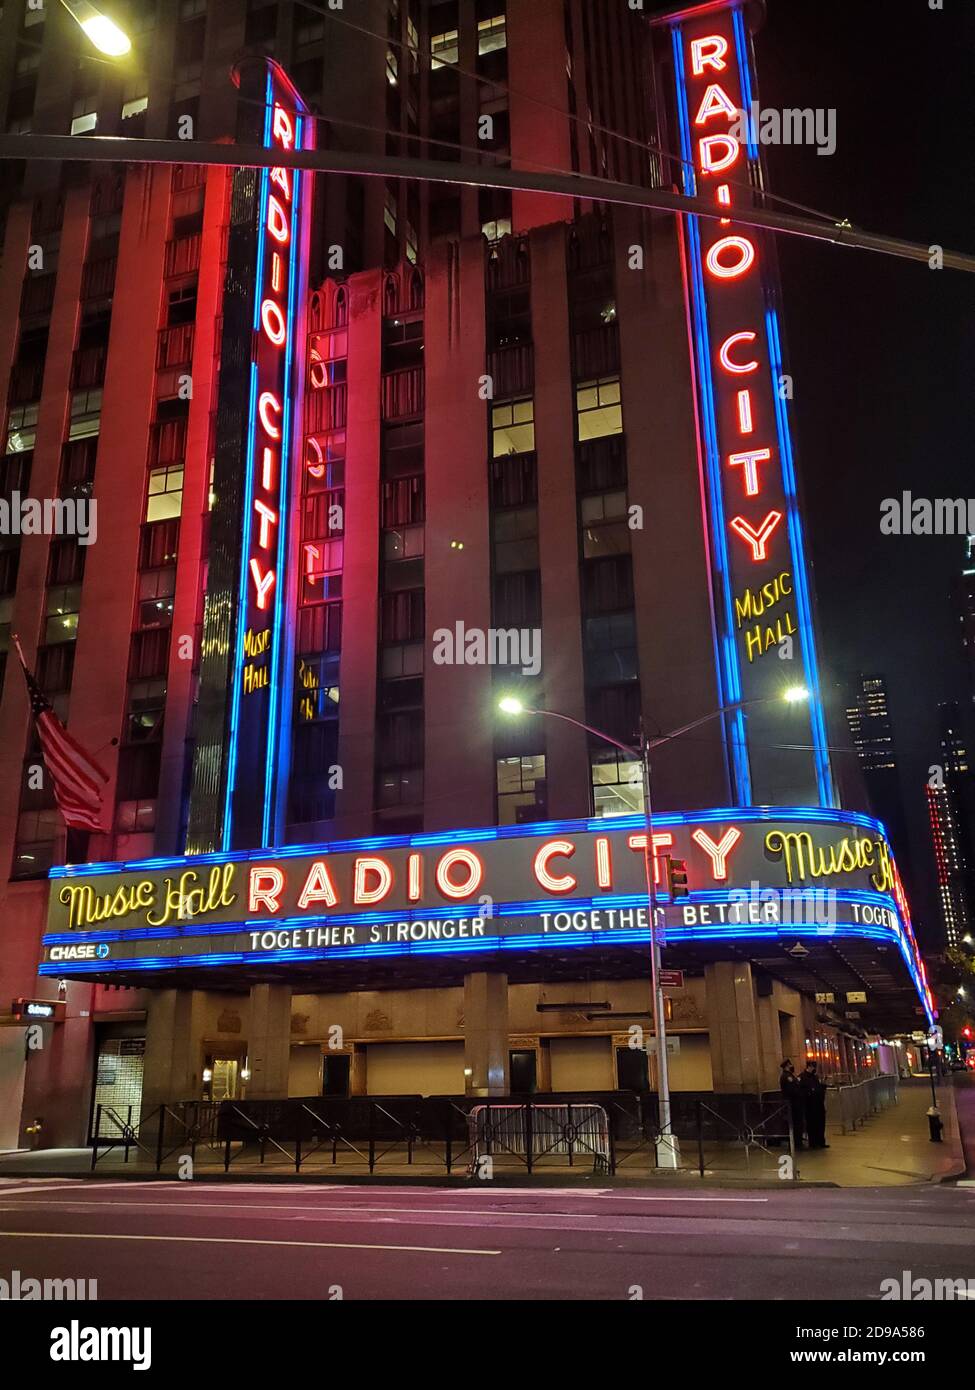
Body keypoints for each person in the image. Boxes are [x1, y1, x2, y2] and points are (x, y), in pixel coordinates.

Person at [800, 1061, 829, 1148]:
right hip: (811, 1105)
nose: (814, 1069)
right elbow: (804, 1091)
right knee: (812, 1124)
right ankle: (813, 1143)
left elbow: (818, 1088)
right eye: (813, 1067)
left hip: (819, 1104)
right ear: (809, 1067)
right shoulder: (803, 1077)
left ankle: (821, 1141)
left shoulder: (815, 1077)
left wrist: (822, 1086)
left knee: (821, 1123)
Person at [779, 1059, 805, 1150]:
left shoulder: (790, 1075)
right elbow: (792, 1090)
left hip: (795, 1103)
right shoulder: (786, 1076)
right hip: (792, 1104)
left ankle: (798, 1143)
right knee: (795, 1124)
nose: (792, 1066)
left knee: (798, 1124)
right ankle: (796, 1144)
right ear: (787, 1066)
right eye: (790, 1065)